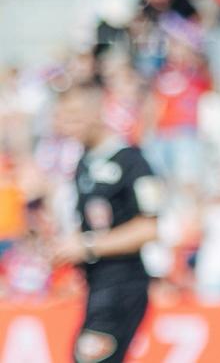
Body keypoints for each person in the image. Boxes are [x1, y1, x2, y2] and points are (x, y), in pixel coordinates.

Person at [50, 84, 162, 363]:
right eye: (62, 117)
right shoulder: (84, 163)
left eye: (73, 117)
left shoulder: (132, 162)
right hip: (97, 284)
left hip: (123, 284)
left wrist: (87, 246)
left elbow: (149, 228)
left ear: (95, 113)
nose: (65, 126)